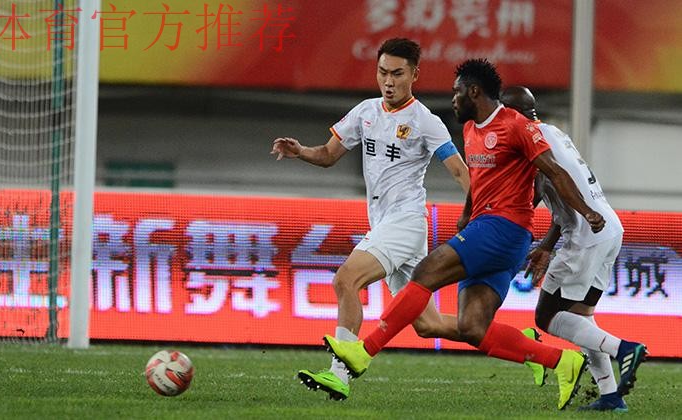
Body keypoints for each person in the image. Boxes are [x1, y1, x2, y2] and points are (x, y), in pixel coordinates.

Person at [324, 58, 607, 411]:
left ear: (473, 92)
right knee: (472, 326)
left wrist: (587, 211)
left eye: (456, 92)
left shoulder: (516, 125)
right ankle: (562, 361)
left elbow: (555, 173)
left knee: (425, 273)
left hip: (504, 228)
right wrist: (465, 214)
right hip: (485, 228)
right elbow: (477, 182)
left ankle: (363, 352)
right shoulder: (472, 129)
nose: (452, 99)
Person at [271, 38, 470, 401]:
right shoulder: (366, 112)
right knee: (429, 324)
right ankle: (523, 344)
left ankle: (339, 375)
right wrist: (301, 152)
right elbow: (328, 154)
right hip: (385, 225)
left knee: (346, 279)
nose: (388, 81)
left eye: (397, 74)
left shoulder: (426, 121)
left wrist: (483, 211)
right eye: (383, 72)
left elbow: (459, 171)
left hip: (405, 221)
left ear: (414, 75)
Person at [501, 86, 647, 412]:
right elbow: (560, 192)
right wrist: (546, 246)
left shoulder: (527, 140)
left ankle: (624, 349)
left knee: (546, 316)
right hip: (609, 229)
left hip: (585, 235)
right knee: (582, 317)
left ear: (511, 115)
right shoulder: (554, 133)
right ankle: (611, 396)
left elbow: (539, 190)